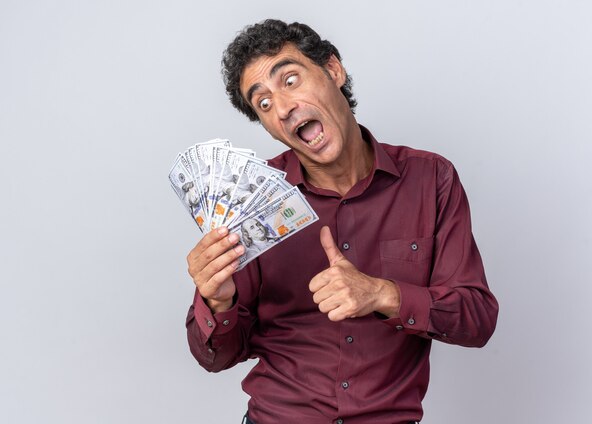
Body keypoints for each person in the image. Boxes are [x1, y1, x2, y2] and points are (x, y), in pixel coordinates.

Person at [185, 19, 499, 424]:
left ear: (333, 70)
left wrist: (381, 294)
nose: (282, 107)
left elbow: (476, 320)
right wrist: (217, 300)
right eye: (262, 103)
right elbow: (215, 357)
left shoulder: (431, 179)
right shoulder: (249, 201)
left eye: (291, 80)